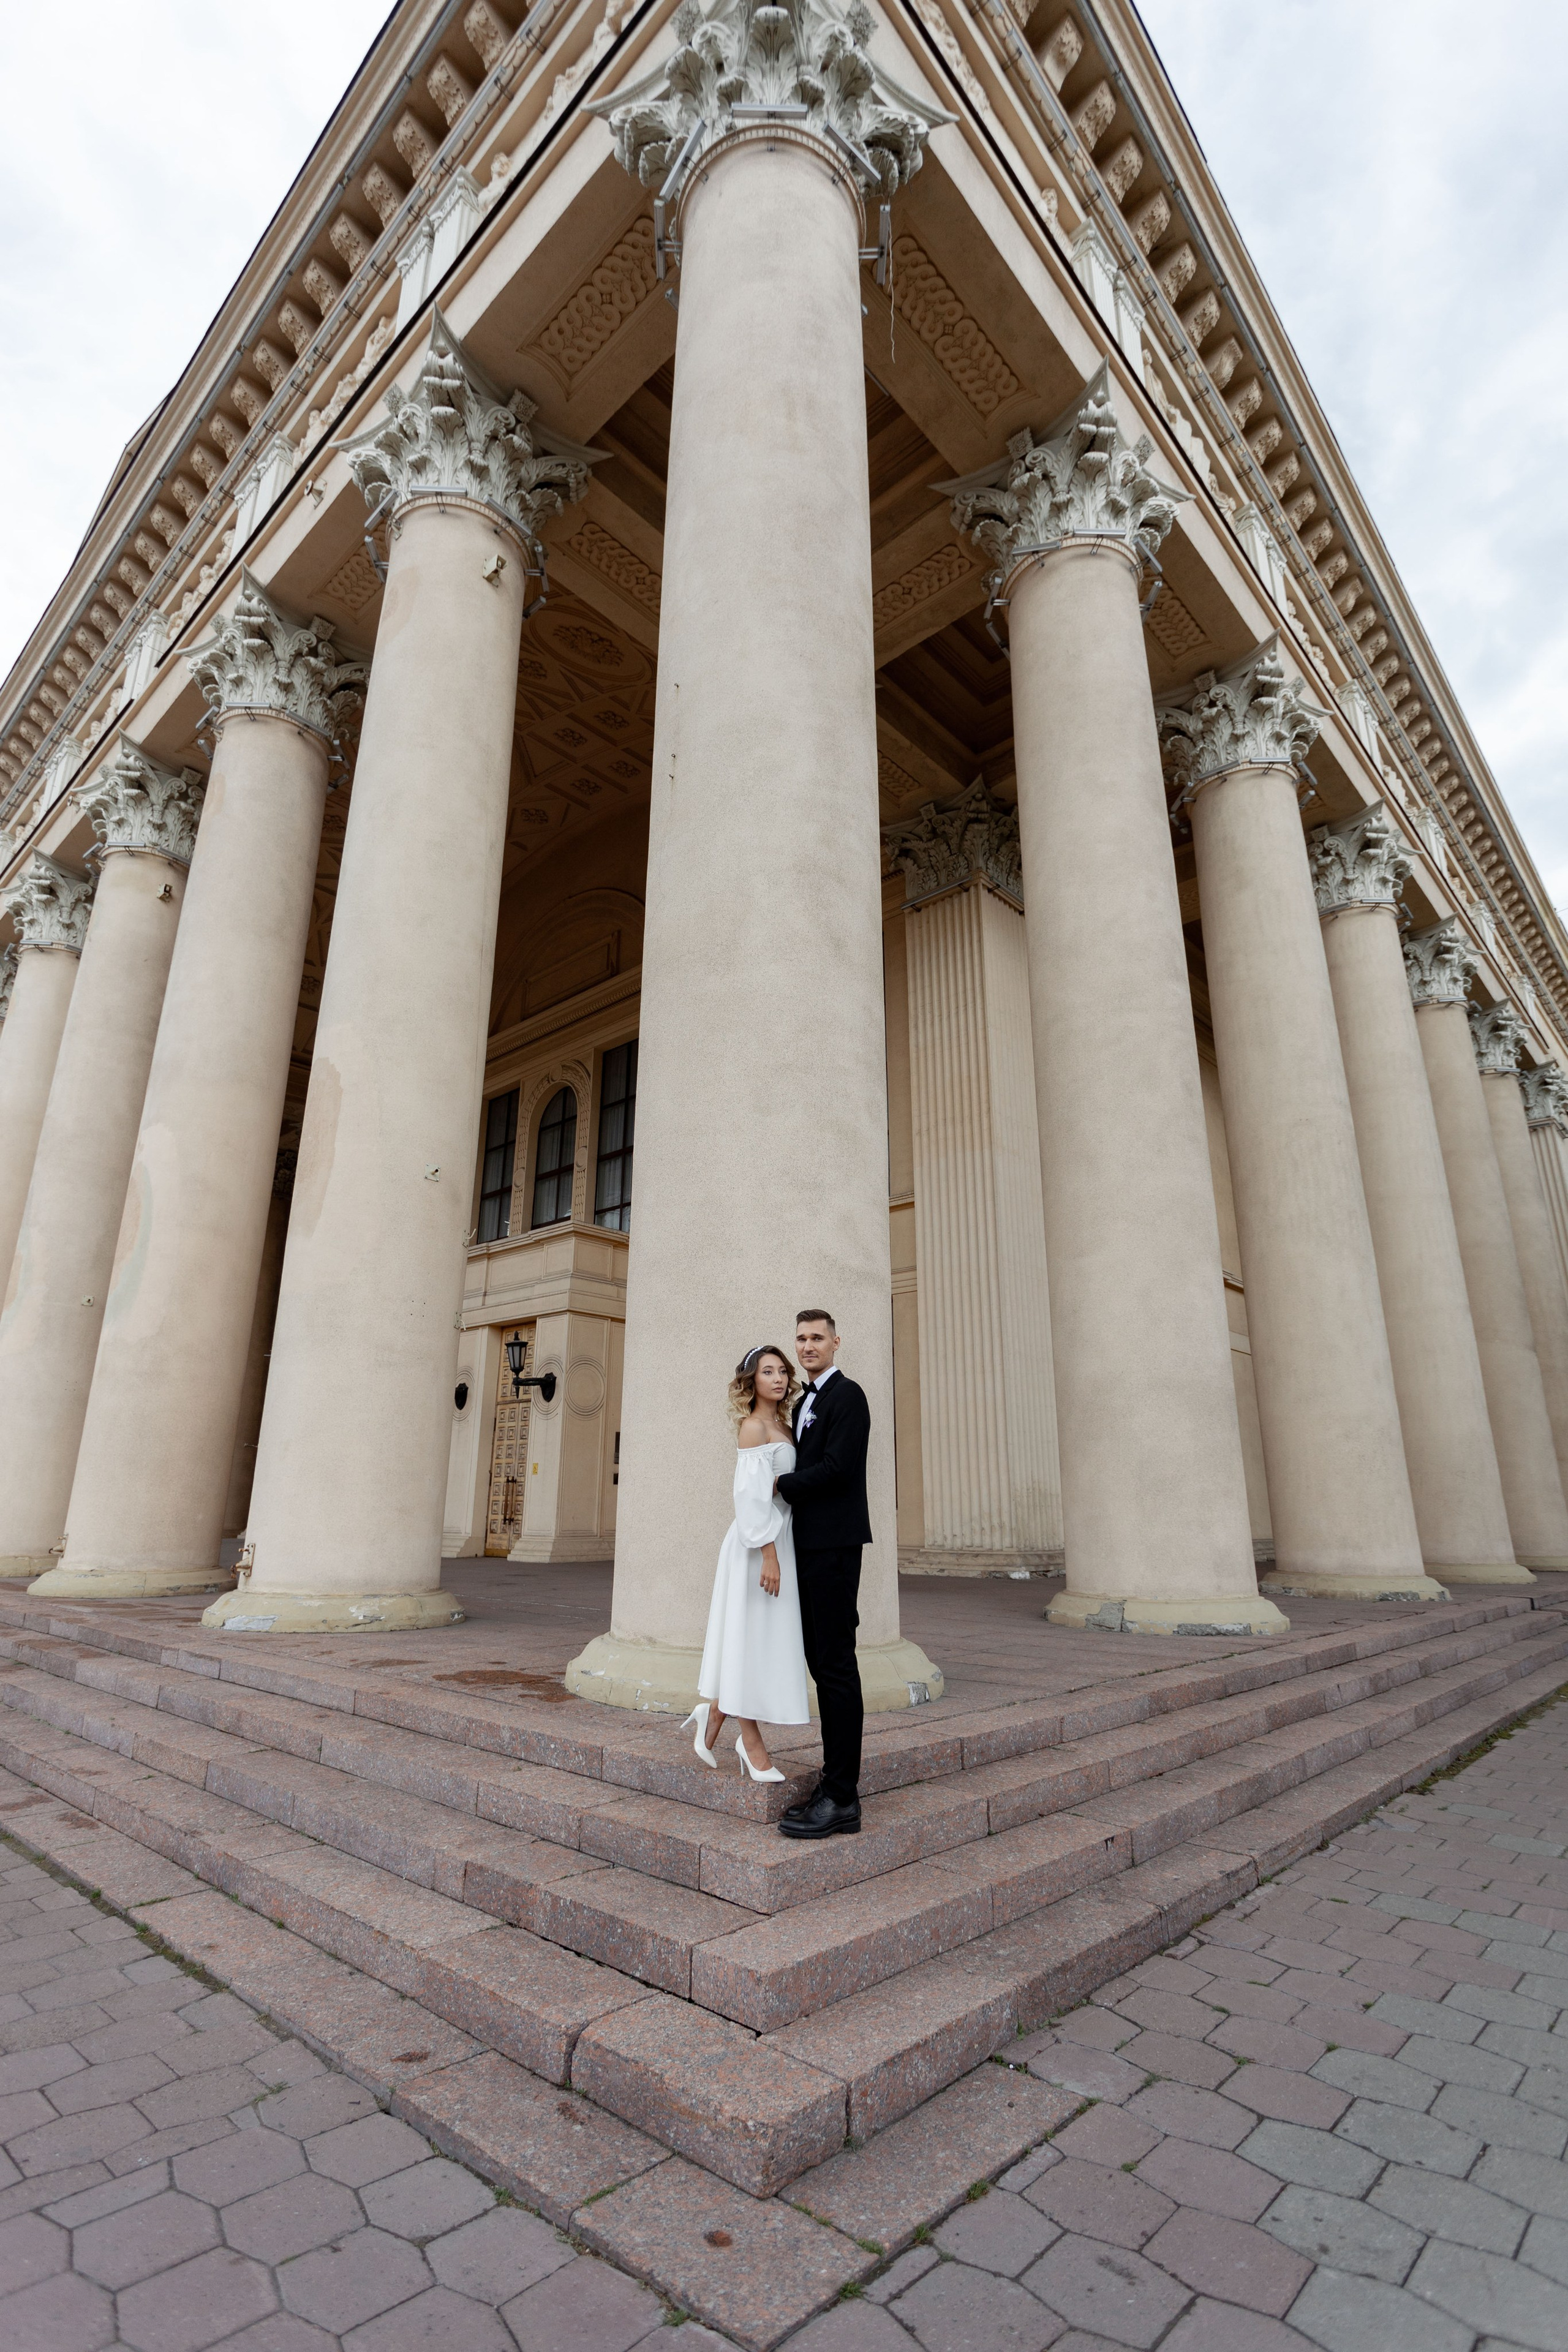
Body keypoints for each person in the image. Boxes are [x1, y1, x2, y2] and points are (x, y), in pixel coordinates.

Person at [681, 1344, 810, 1781]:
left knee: (758, 1638)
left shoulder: (784, 1425)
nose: (777, 1378)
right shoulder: (753, 1427)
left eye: (781, 1371)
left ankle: (715, 1712)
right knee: (749, 1638)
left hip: (781, 1542)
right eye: (767, 1371)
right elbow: (750, 1499)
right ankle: (750, 1743)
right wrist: (769, 1556)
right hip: (758, 1548)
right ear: (751, 1381)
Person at [774, 1308, 870, 1839]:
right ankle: (835, 1783)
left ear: (836, 1341)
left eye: (817, 1338)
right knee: (822, 1663)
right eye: (801, 1339)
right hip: (809, 1547)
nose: (808, 1346)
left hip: (834, 1547)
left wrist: (779, 1485)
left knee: (835, 1666)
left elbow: (838, 1469)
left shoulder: (848, 1397)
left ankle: (842, 1797)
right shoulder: (807, 1399)